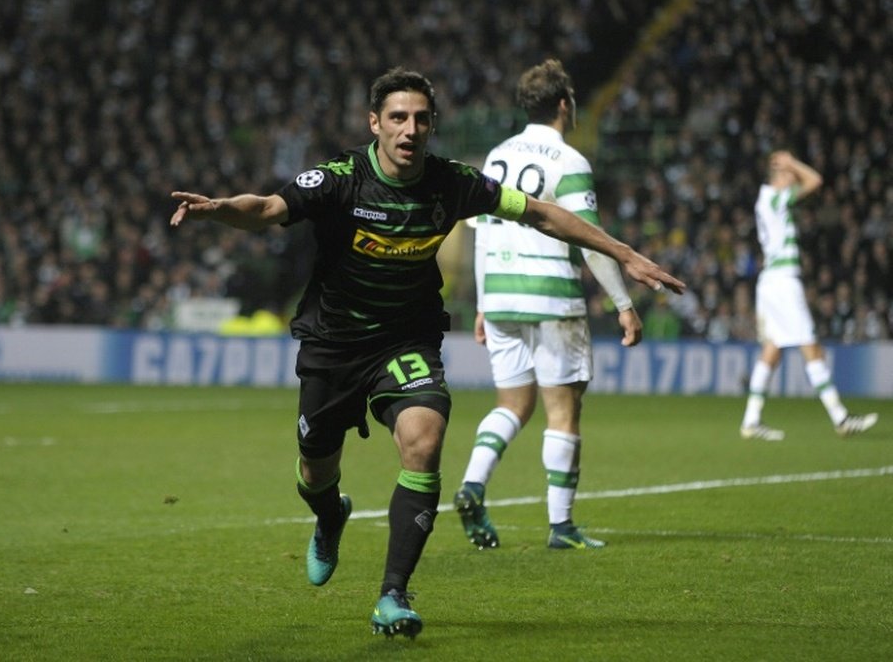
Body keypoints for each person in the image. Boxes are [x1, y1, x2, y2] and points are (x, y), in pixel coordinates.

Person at [169, 67, 685, 639]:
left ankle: (393, 594)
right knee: (316, 467)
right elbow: (267, 210)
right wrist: (217, 209)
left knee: (424, 439)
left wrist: (624, 253)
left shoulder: (452, 182)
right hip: (334, 344)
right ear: (375, 124)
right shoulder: (340, 178)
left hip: (404, 340)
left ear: (432, 125)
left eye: (419, 118)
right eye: (397, 118)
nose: (409, 129)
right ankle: (329, 513)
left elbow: (541, 212)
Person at [454, 59, 643, 553]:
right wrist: (623, 303)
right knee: (563, 408)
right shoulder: (570, 161)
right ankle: (561, 527)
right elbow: (591, 241)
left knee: (512, 403)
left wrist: (481, 302)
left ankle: (473, 484)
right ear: (564, 104)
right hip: (551, 297)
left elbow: (483, 232)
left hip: (498, 294)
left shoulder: (495, 157)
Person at [740, 150, 877, 441]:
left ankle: (751, 420)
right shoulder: (773, 198)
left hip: (771, 283)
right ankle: (840, 417)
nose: (794, 178)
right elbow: (815, 180)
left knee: (772, 349)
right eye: (789, 174)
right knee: (810, 346)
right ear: (779, 175)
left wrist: (789, 166)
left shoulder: (766, 201)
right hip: (783, 281)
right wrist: (793, 164)